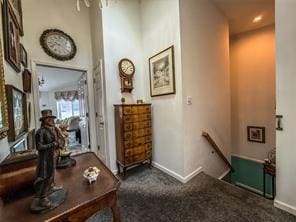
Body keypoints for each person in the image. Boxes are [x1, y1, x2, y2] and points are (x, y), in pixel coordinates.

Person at [33, 110, 65, 209]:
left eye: (52, 118)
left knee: (52, 173)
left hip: (54, 155)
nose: (51, 120)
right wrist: (52, 144)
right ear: (44, 120)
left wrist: (59, 143)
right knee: (46, 176)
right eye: (48, 118)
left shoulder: (54, 129)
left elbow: (59, 138)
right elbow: (39, 147)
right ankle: (42, 198)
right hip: (45, 158)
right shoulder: (41, 131)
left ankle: (52, 186)